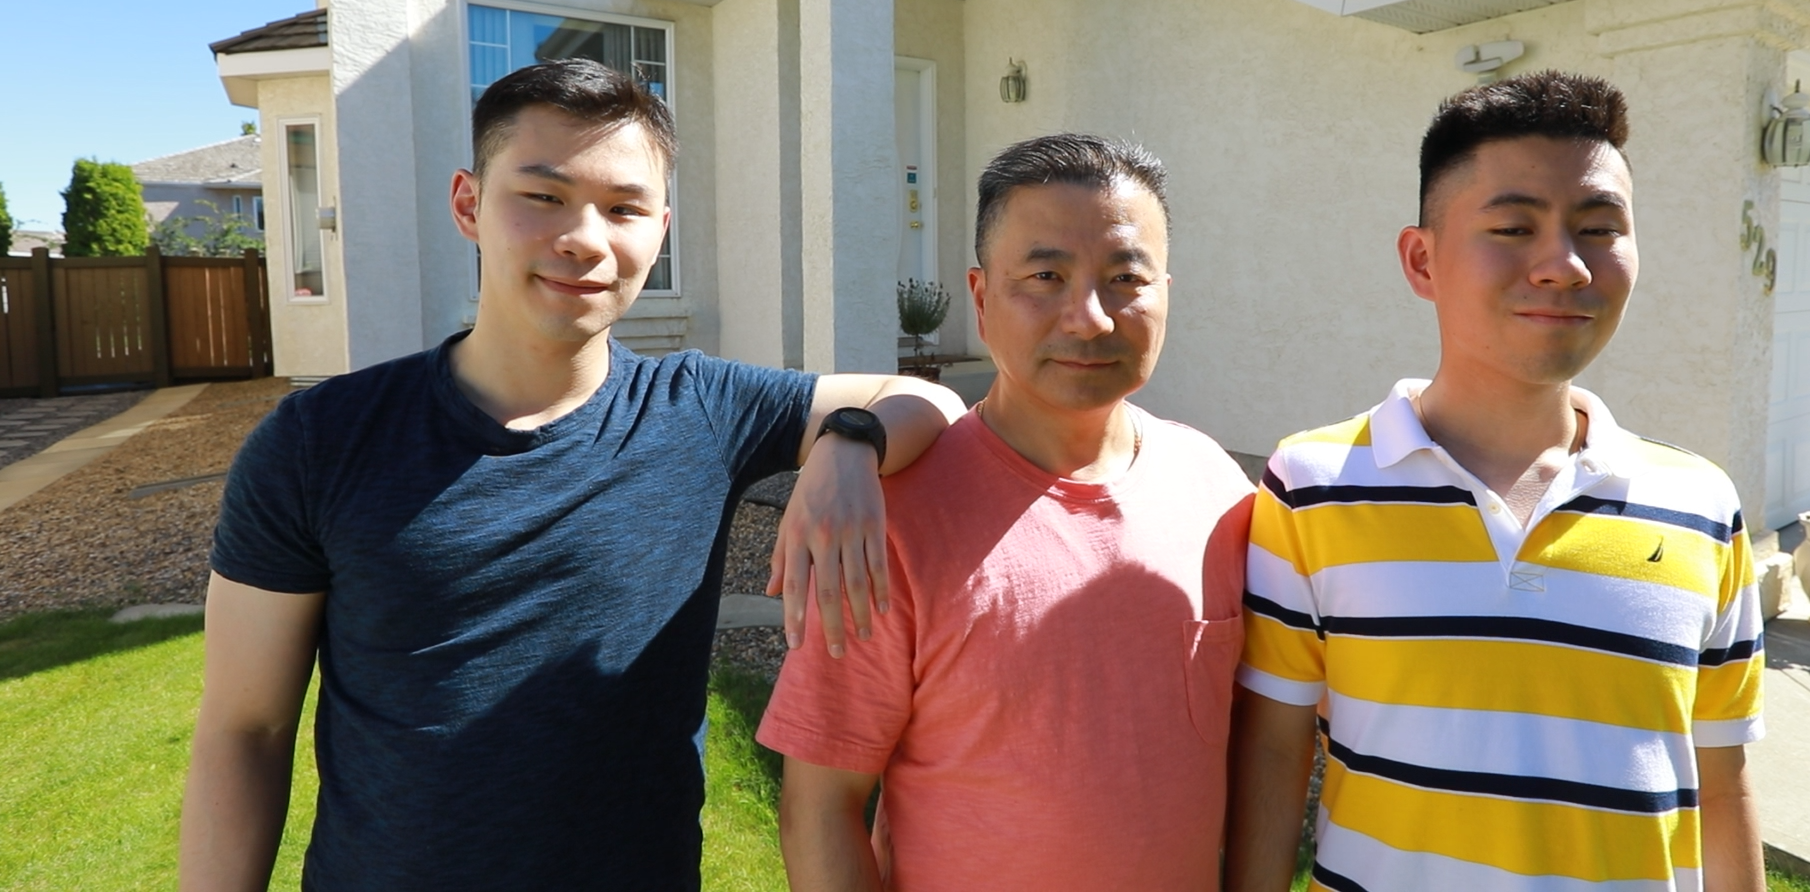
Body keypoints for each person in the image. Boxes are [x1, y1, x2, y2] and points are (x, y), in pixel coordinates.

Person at [179, 59, 966, 891]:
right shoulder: (320, 442)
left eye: (623, 208)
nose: (585, 239)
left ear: (660, 231)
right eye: (543, 196)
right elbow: (245, 729)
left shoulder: (702, 410)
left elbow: (923, 401)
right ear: (469, 205)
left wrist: (849, 442)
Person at [1227, 71, 1766, 891]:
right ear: (1422, 259)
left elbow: (1721, 784)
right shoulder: (1313, 486)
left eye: (1598, 228)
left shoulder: (1702, 506)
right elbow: (1273, 750)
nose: (1564, 266)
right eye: (1514, 226)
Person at [757, 134, 1255, 891]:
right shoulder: (888, 517)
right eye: (1045, 276)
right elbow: (822, 807)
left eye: (1125, 277)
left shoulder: (1219, 491)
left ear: (1166, 294)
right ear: (983, 299)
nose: (1089, 317)